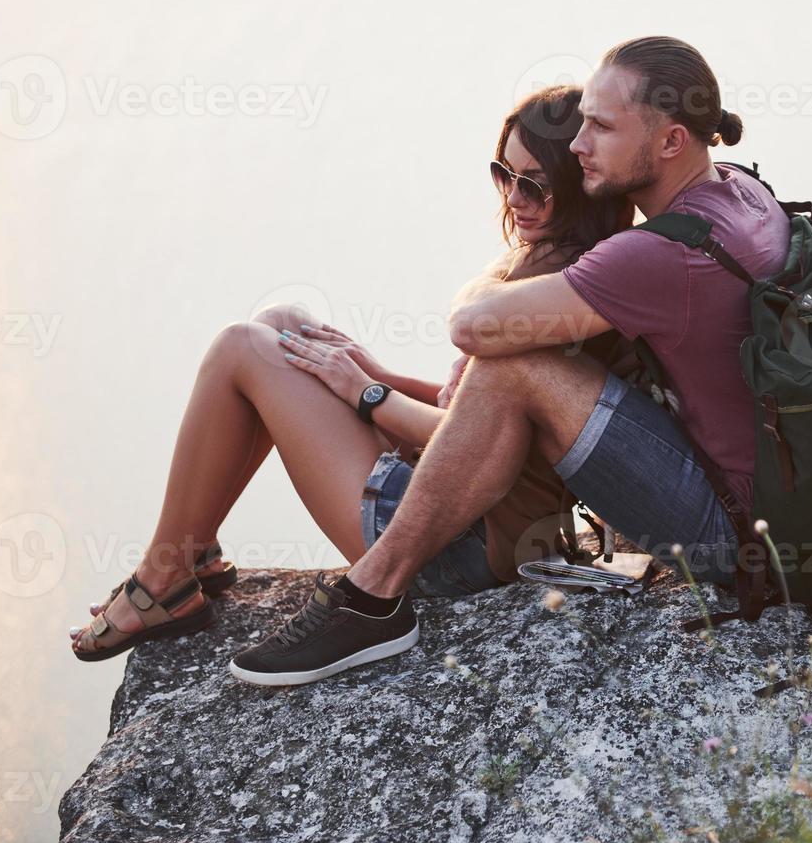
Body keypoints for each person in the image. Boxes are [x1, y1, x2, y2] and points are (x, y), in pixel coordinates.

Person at [226, 35, 790, 687]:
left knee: (511, 361)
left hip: (730, 534)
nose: (580, 147)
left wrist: (487, 287)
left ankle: (372, 596)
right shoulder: (742, 193)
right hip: (762, 501)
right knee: (293, 335)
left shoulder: (658, 253)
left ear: (670, 142)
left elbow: (473, 328)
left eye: (601, 128)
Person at [68, 86, 633, 661]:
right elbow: (471, 411)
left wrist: (366, 392)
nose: (514, 197)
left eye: (534, 183)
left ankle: (163, 579)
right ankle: (195, 548)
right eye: (502, 174)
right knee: (282, 324)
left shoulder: (560, 299)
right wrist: (375, 373)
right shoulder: (551, 268)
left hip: (452, 545)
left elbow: (482, 449)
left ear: (582, 180)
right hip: (456, 505)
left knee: (241, 348)